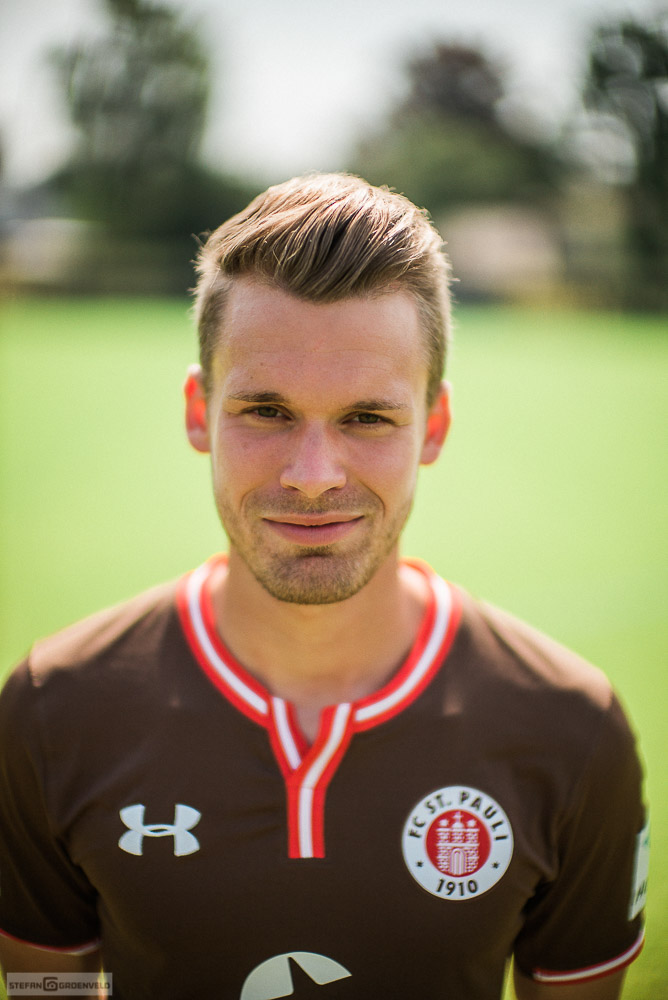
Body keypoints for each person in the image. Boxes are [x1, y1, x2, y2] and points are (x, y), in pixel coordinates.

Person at [0, 173, 647, 1000]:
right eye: (265, 412)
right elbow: (42, 990)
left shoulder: (570, 728)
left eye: (367, 418)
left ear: (434, 426)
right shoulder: (52, 711)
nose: (312, 476)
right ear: (199, 411)